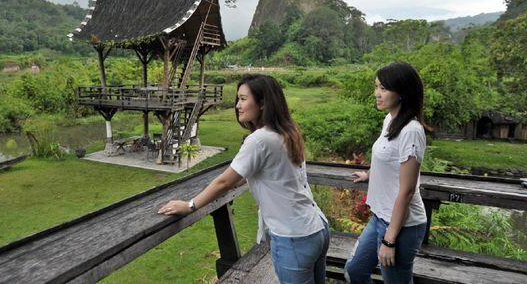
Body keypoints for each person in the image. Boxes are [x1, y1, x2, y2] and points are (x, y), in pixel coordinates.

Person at [158, 74, 329, 284]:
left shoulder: (259, 140)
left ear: (263, 102)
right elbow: (261, 174)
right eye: (238, 99)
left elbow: (225, 182)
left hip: (293, 237)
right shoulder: (288, 131)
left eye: (243, 98)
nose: (238, 105)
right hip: (317, 227)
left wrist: (190, 205)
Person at [344, 62, 428, 284]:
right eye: (376, 87)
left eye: (383, 88)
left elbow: (407, 190)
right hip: (380, 216)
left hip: (402, 227)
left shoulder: (411, 131)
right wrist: (370, 174)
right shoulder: (390, 120)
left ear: (402, 92)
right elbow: (387, 156)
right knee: (355, 270)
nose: (377, 94)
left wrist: (390, 240)